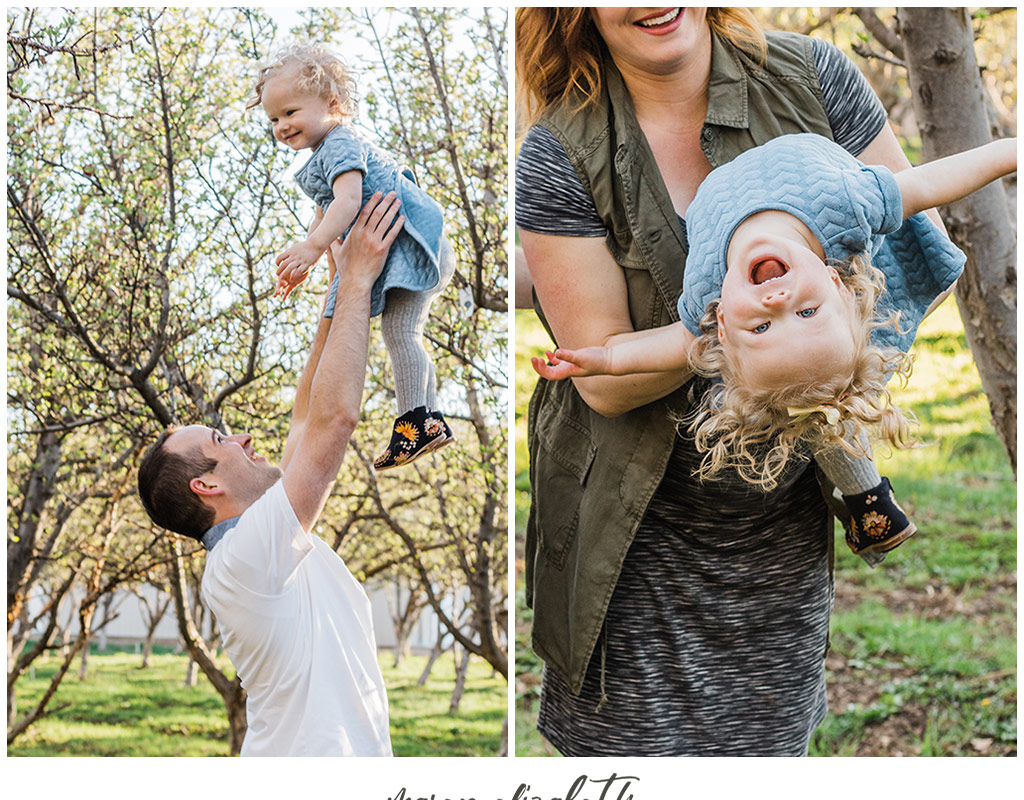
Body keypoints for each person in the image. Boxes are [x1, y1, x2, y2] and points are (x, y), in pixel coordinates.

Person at [516, 7, 957, 756]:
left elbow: (916, 246)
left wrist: (816, 346)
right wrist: (740, 336)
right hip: (633, 546)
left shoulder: (814, 79)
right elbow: (607, 379)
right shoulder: (560, 149)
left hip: (775, 541)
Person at [531, 133, 1015, 557]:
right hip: (855, 263)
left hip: (816, 336)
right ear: (835, 280)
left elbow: (674, 344)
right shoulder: (847, 202)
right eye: (805, 311)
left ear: (721, 322)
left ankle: (867, 501)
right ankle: (870, 498)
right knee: (821, 395)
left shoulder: (706, 288)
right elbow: (931, 184)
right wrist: (1009, 152)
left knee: (803, 397)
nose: (777, 300)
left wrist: (605, 356)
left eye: (760, 326)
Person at [137, 193, 403, 757]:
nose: (243, 439)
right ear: (206, 486)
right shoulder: (242, 563)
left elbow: (307, 411)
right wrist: (358, 280)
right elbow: (335, 422)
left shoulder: (267, 542)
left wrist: (334, 289)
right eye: (220, 441)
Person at [250, 43, 455, 470]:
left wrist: (312, 248)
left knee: (400, 334)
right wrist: (306, 258)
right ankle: (428, 417)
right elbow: (325, 211)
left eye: (290, 112)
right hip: (406, 246)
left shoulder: (340, 143)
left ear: (333, 105)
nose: (281, 125)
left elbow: (347, 203)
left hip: (413, 245)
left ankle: (417, 422)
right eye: (273, 118)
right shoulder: (326, 153)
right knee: (404, 332)